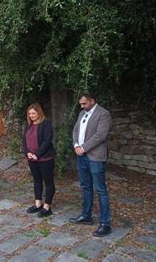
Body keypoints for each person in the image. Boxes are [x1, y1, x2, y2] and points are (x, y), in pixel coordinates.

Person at [69, 93, 113, 237]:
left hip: (95, 157)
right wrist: (76, 145)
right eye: (81, 104)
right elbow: (75, 130)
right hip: (81, 156)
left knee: (100, 189)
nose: (82, 106)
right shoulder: (82, 113)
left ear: (92, 101)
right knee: (85, 186)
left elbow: (100, 135)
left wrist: (84, 147)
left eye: (84, 103)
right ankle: (86, 215)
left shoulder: (103, 114)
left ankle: (105, 224)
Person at [22, 103, 56, 218]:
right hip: (31, 158)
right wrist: (27, 153)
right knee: (37, 180)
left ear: (39, 113)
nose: (31, 115)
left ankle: (47, 206)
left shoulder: (46, 124)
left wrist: (37, 154)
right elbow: (24, 141)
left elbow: (47, 141)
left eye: (33, 113)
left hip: (45, 158)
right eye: (29, 113)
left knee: (48, 181)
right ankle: (38, 203)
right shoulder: (28, 125)